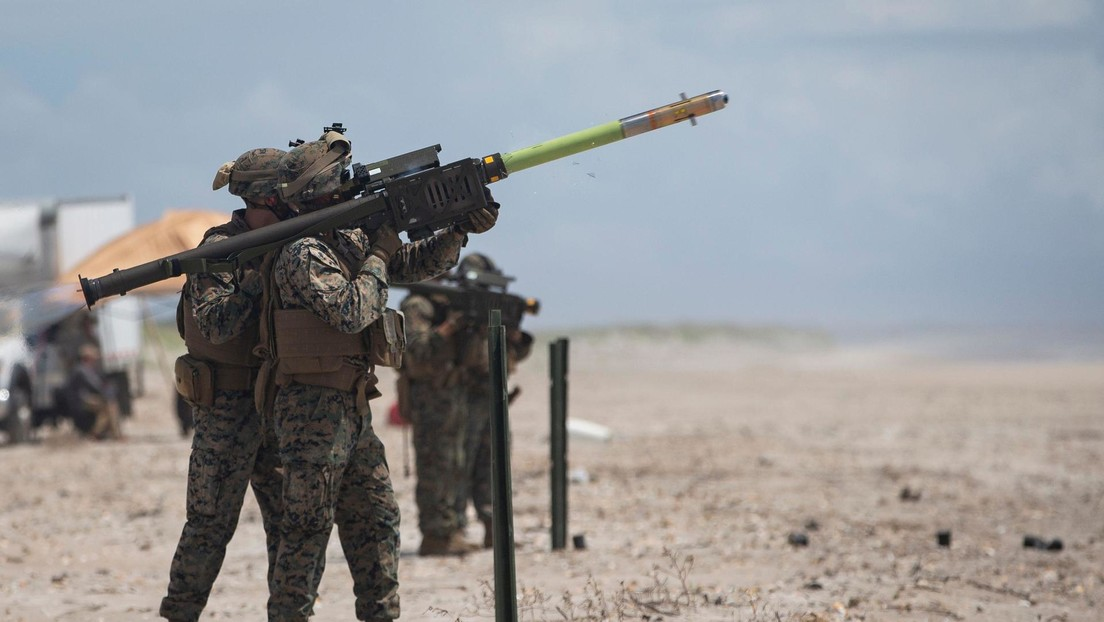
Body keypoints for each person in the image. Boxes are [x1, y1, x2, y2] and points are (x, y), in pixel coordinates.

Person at [257, 130, 498, 622]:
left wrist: (458, 229)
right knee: (305, 533)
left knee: (377, 521)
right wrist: (379, 255)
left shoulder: (345, 238)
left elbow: (411, 264)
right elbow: (352, 310)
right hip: (309, 412)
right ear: (317, 189)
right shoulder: (302, 252)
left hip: (350, 406)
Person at [160, 147, 293, 622]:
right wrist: (261, 271)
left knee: (291, 526)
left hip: (278, 401)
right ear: (267, 198)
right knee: (209, 524)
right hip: (226, 407)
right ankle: (181, 613)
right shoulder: (217, 249)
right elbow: (216, 324)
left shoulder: (298, 243)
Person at [398, 254, 533, 554]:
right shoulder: (420, 304)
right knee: (439, 467)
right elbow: (417, 350)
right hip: (435, 399)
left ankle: (472, 529)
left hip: (463, 398)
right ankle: (439, 535)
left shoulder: (455, 303)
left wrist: (511, 334)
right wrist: (451, 325)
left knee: (476, 464)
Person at [65, 343, 122, 440]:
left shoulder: (88, 369)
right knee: (109, 405)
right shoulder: (82, 370)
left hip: (87, 398)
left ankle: (99, 433)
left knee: (108, 407)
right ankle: (110, 435)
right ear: (88, 358)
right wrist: (107, 392)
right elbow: (95, 386)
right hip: (82, 400)